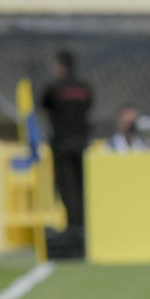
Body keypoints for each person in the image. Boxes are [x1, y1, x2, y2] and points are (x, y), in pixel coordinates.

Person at [40, 49, 92, 232]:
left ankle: (74, 229)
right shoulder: (85, 88)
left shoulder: (53, 88)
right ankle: (86, 227)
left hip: (62, 145)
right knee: (84, 187)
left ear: (60, 66)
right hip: (82, 143)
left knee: (68, 189)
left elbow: (43, 105)